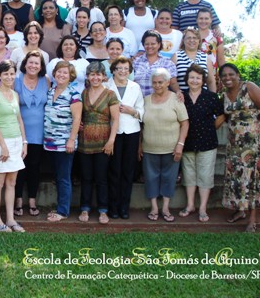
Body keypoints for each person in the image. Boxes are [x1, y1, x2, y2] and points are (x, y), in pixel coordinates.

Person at [218, 63, 260, 232]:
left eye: (231, 74)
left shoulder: (249, 87)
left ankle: (252, 218)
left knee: (252, 177)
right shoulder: (224, 95)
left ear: (238, 74)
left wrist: (256, 124)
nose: (228, 78)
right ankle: (240, 210)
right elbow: (225, 117)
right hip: (233, 143)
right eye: (224, 75)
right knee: (236, 176)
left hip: (252, 144)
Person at [140, 68, 189, 222]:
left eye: (161, 82)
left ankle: (166, 208)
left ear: (168, 82)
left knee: (169, 177)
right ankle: (154, 208)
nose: (157, 85)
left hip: (171, 148)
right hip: (149, 148)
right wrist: (139, 145)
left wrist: (180, 144)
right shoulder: (146, 100)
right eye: (154, 82)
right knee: (150, 177)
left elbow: (185, 123)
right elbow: (141, 125)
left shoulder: (176, 99)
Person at [179, 64, 224, 222]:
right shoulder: (181, 96)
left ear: (203, 80)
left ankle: (203, 208)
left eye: (198, 78)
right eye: (191, 77)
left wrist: (212, 128)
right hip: (187, 142)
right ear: (187, 79)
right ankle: (190, 205)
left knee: (205, 176)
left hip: (207, 142)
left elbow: (221, 115)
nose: (194, 80)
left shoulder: (211, 97)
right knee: (189, 175)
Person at [0, 60, 28, 232]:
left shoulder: (15, 94)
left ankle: (10, 219)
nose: (9, 77)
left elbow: (19, 119)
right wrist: (3, 146)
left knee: (12, 183)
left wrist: (24, 142)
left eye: (12, 74)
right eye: (6, 74)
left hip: (16, 141)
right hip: (0, 143)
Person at [77, 62, 120, 224]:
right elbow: (78, 115)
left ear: (104, 76)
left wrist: (111, 141)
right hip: (85, 142)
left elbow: (115, 119)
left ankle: (103, 210)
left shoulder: (110, 94)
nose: (95, 77)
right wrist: (79, 123)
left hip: (104, 141)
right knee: (86, 177)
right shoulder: (83, 93)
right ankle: (85, 208)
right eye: (92, 74)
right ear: (88, 77)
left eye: (98, 74)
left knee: (102, 177)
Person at [44, 61, 82, 221]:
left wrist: (71, 140)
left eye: (65, 73)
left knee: (63, 177)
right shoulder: (50, 91)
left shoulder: (74, 94)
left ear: (71, 76)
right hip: (49, 142)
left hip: (64, 142)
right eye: (59, 72)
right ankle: (61, 206)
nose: (61, 75)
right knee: (57, 176)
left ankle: (63, 211)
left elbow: (77, 118)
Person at [106, 57, 143, 219]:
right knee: (114, 171)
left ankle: (124, 207)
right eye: (119, 68)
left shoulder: (135, 87)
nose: (122, 71)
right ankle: (112, 207)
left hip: (131, 133)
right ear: (113, 70)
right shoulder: (106, 86)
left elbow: (142, 112)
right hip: (112, 134)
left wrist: (132, 111)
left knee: (128, 171)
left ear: (130, 71)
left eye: (126, 69)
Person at [14, 51, 50, 217]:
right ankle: (18, 200)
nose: (33, 66)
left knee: (34, 167)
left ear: (41, 66)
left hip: (39, 132)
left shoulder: (46, 81)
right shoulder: (16, 80)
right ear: (25, 63)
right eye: (30, 62)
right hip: (20, 131)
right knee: (19, 167)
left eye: (37, 63)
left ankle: (33, 201)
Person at [133, 30, 179, 97]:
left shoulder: (168, 63)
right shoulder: (136, 62)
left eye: (153, 44)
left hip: (160, 103)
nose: (150, 46)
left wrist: (178, 92)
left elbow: (173, 83)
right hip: (139, 102)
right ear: (143, 45)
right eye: (147, 44)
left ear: (159, 44)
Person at [172, 28, 216, 92]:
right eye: (188, 38)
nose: (192, 40)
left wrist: (213, 97)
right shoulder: (176, 56)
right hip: (181, 98)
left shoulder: (206, 57)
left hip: (203, 99)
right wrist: (178, 93)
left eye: (194, 38)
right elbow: (172, 79)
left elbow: (211, 81)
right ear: (183, 40)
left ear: (199, 41)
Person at [197, 8, 225, 78]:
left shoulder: (216, 37)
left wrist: (223, 75)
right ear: (196, 20)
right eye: (201, 18)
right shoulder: (191, 36)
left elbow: (221, 60)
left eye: (206, 18)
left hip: (212, 76)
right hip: (194, 76)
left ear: (211, 20)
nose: (203, 21)